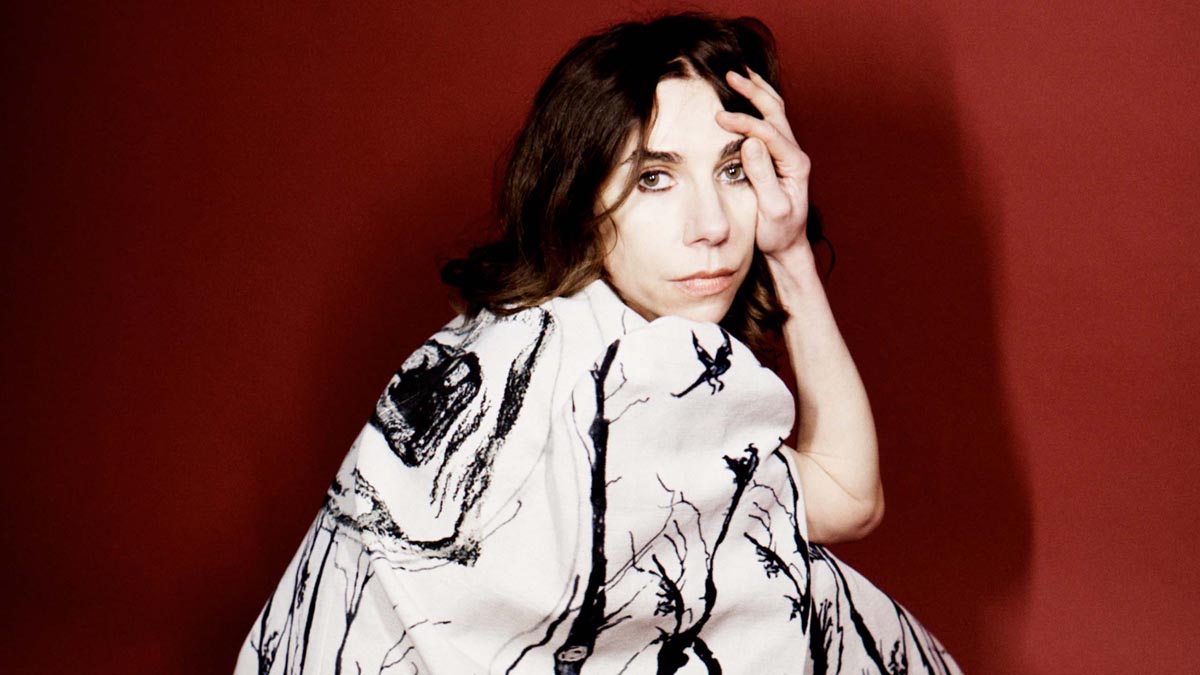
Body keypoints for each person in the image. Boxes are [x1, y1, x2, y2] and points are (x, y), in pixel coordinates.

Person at [236, 13, 960, 674]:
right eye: (655, 178)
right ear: (580, 199)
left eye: (733, 170)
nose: (711, 224)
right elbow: (850, 499)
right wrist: (792, 257)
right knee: (815, 598)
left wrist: (789, 245)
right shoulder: (631, 370)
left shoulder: (499, 335)